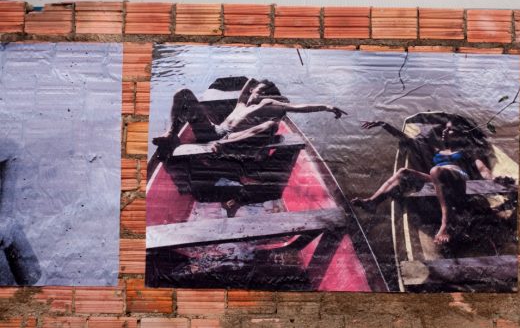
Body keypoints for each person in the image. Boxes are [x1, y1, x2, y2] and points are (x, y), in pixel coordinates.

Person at [351, 118, 493, 246]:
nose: (445, 131)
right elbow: (404, 138)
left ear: (460, 134)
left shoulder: (466, 150)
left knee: (436, 170)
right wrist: (384, 124)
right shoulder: (436, 149)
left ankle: (444, 225)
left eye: (450, 130)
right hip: (437, 176)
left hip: (459, 177)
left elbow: (482, 168)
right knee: (403, 172)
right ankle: (373, 202)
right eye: (445, 128)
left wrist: (492, 180)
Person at [153, 78, 347, 157]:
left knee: (271, 126)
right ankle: (171, 134)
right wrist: (254, 81)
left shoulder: (267, 105)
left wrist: (327, 107)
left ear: (267, 95)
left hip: (230, 139)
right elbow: (247, 87)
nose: (254, 93)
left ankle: (222, 147)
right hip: (212, 131)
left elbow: (299, 107)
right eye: (254, 90)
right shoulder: (241, 104)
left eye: (259, 91)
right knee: (183, 93)